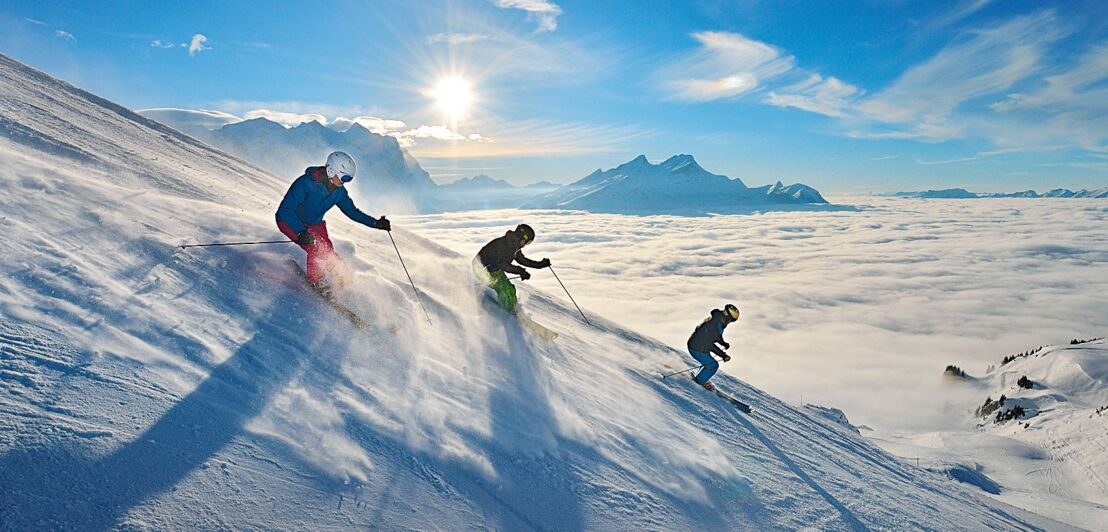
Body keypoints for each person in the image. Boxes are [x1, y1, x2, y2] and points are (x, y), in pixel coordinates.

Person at [275, 151, 390, 295]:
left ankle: (344, 279)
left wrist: (376, 223)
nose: (345, 182)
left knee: (328, 252)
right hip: (290, 221)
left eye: (349, 179)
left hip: (314, 224)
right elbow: (284, 211)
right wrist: (300, 231)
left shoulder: (339, 192)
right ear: (331, 171)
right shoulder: (305, 184)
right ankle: (318, 282)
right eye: (344, 177)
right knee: (315, 248)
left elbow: (352, 211)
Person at [473, 224, 551, 312]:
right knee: (506, 291)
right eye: (527, 242)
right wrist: (520, 271)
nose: (526, 245)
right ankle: (506, 313)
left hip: (494, 269)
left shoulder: (513, 244)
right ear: (523, 238)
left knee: (511, 290)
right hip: (482, 270)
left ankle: (511, 309)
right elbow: (503, 265)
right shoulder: (505, 245)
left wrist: (540, 264)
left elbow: (522, 260)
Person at [686, 303, 740, 391]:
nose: (729, 322)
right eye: (730, 320)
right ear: (727, 317)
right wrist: (723, 356)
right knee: (713, 365)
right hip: (697, 349)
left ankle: (700, 378)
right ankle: (699, 381)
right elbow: (710, 344)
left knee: (710, 363)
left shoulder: (718, 320)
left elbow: (716, 336)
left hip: (699, 346)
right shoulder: (713, 324)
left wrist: (723, 343)